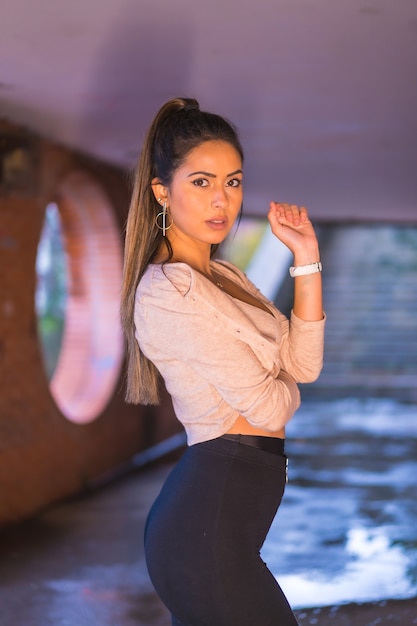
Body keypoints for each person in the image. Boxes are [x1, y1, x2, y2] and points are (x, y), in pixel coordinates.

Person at [121, 97, 325, 626]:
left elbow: (302, 366)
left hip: (221, 524)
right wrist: (281, 386)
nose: (222, 201)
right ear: (162, 191)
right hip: (202, 527)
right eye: (201, 182)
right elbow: (269, 405)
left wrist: (306, 258)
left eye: (232, 182)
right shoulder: (166, 292)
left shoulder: (227, 278)